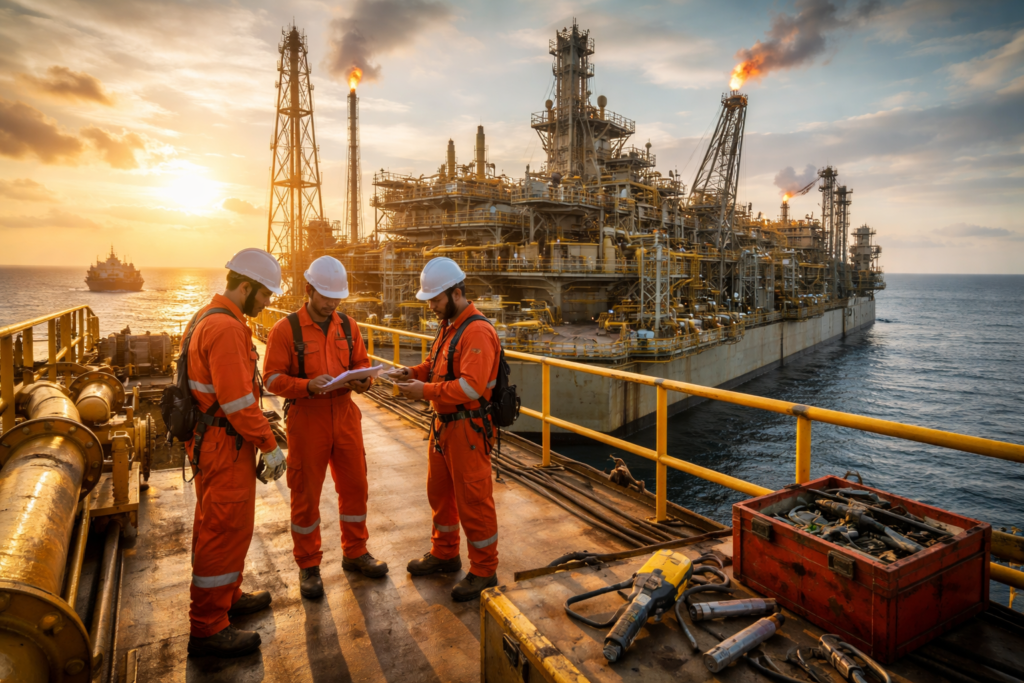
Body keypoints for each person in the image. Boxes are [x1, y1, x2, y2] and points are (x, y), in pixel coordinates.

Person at [262, 256, 387, 600]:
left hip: (345, 415)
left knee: (355, 488)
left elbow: (360, 362)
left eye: (337, 298)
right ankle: (308, 565)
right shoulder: (285, 330)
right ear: (309, 290)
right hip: (307, 418)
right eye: (325, 297)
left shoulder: (348, 326)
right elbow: (270, 378)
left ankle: (356, 552)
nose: (331, 304)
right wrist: (307, 385)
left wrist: (363, 380)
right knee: (305, 495)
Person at [185, 248, 288, 658]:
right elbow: (239, 403)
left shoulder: (206, 317)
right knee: (223, 530)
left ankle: (227, 599)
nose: (267, 304)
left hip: (213, 441)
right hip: (226, 445)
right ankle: (208, 630)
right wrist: (270, 444)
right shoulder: (227, 330)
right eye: (264, 295)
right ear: (245, 286)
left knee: (222, 526)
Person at [389, 257, 501, 602]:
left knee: (473, 500)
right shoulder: (450, 325)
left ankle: (484, 570)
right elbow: (436, 365)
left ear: (455, 293)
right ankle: (445, 553)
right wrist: (414, 373)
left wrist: (424, 391)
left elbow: (470, 387)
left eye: (436, 301)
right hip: (444, 427)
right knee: (440, 495)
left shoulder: (477, 331)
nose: (432, 308)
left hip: (467, 430)